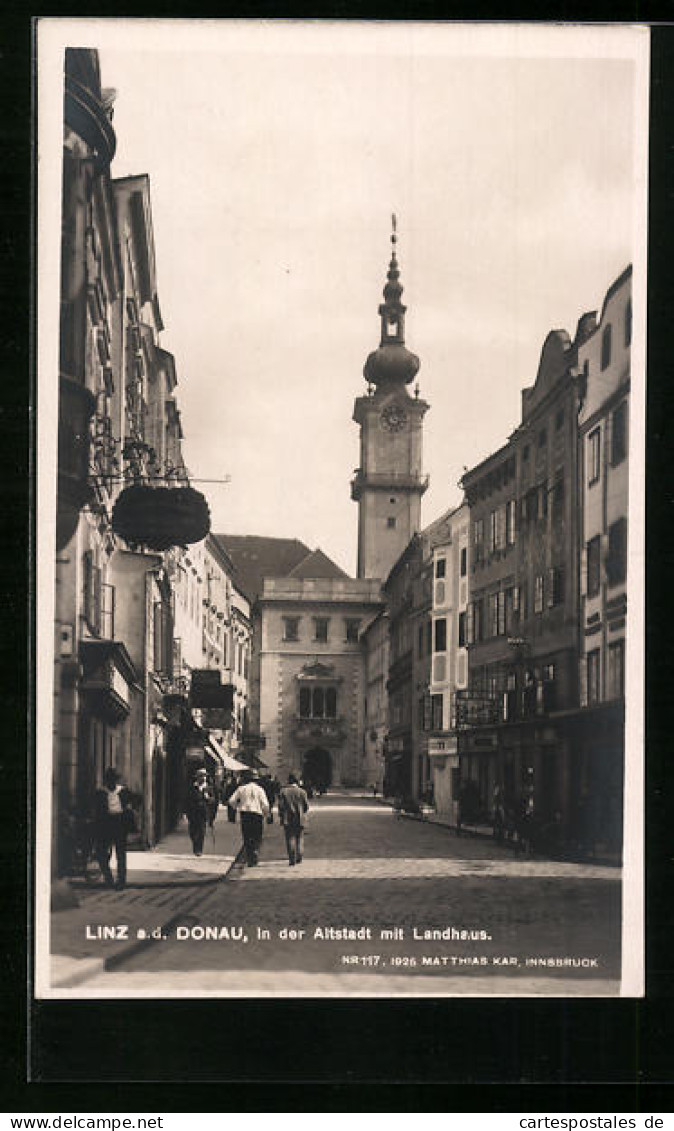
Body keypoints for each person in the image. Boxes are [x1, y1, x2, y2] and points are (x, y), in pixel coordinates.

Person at [93, 767, 134, 890]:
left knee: (120, 853)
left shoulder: (123, 791)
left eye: (113, 780)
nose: (110, 783)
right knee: (101, 852)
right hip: (105, 824)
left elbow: (137, 799)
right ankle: (108, 878)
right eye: (108, 780)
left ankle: (121, 881)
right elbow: (96, 808)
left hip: (119, 823)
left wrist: (129, 809)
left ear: (116, 781)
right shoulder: (100, 793)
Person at [227, 769, 270, 866]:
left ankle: (250, 856)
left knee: (247, 836)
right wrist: (266, 814)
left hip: (245, 815)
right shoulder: (260, 789)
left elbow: (231, 801)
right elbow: (265, 804)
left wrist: (237, 807)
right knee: (257, 835)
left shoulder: (241, 789)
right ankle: (255, 851)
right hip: (257, 815)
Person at [278, 773, 309, 866]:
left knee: (290, 838)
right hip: (300, 818)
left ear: (288, 781)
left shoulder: (283, 791)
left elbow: (281, 806)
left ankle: (292, 859)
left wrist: (281, 815)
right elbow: (306, 806)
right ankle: (299, 856)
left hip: (288, 818)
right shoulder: (302, 792)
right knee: (300, 838)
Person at [185, 768, 216, 857]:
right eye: (201, 776)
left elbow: (213, 800)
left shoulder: (209, 788)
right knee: (192, 831)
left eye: (204, 776)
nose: (203, 778)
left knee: (201, 831)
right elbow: (187, 798)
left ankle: (199, 849)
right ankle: (195, 844)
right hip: (193, 812)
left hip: (204, 812)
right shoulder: (192, 787)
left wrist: (208, 798)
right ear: (197, 777)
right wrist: (187, 812)